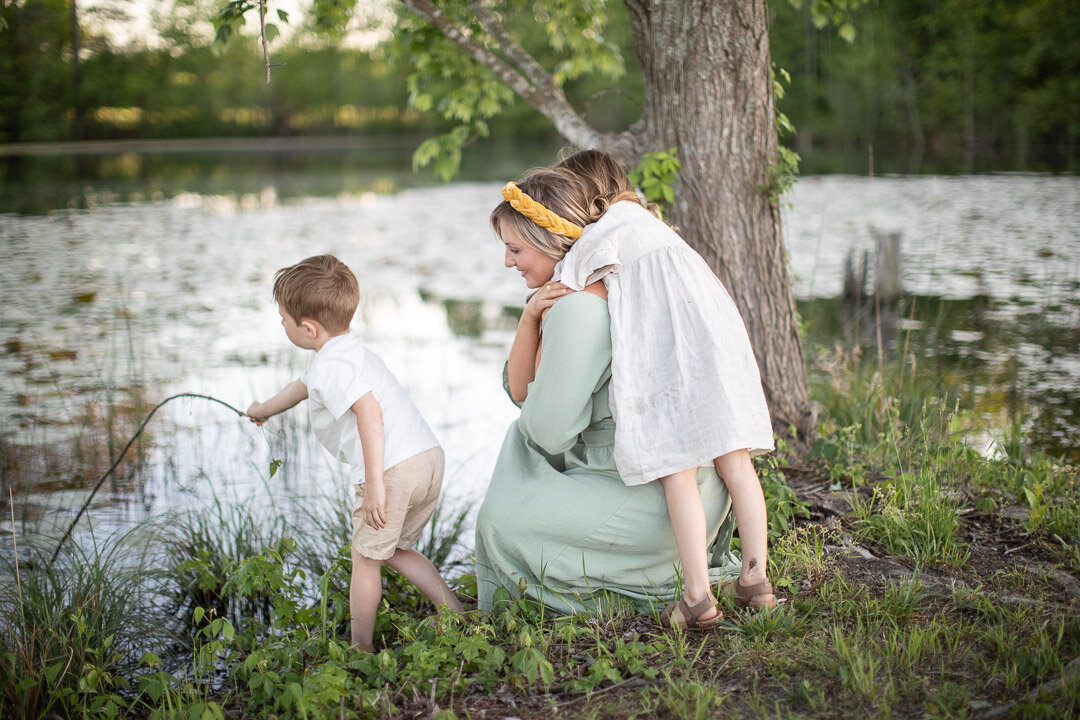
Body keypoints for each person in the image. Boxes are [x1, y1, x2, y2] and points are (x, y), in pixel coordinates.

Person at [503, 152, 777, 626]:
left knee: (675, 471)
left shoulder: (599, 237)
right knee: (738, 464)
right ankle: (756, 578)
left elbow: (569, 286)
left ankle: (697, 597)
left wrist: (538, 310)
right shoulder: (655, 228)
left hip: (668, 362)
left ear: (586, 205)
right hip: (716, 352)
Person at [246, 254, 463, 650]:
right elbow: (301, 387)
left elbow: (369, 412)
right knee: (397, 549)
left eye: (283, 318)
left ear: (308, 328)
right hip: (427, 457)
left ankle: (359, 650)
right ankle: (458, 614)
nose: (281, 324)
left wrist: (375, 484)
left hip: (392, 471)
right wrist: (263, 409)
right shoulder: (345, 352)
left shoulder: (332, 368)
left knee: (365, 560)